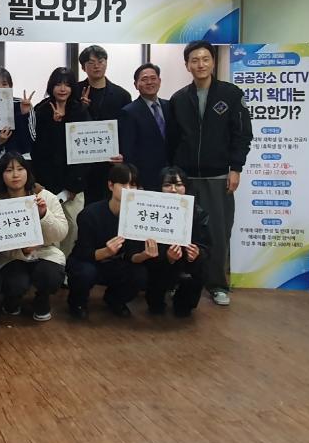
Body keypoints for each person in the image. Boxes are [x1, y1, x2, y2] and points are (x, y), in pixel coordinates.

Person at [167, 40, 253, 306]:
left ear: (213, 62)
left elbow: (242, 135)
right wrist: (173, 175)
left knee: (218, 233)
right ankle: (178, 281)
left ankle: (217, 285)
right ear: (187, 65)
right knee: (180, 232)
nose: (200, 64)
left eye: (205, 59)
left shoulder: (231, 94)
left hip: (218, 177)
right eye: (194, 60)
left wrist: (235, 168)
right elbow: (172, 140)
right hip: (186, 179)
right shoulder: (179, 99)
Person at [66, 163, 151, 319]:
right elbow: (83, 253)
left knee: (139, 274)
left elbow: (132, 255)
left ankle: (115, 300)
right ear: (111, 185)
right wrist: (106, 252)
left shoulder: (139, 217)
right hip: (89, 261)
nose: (129, 190)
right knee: (84, 272)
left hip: (117, 264)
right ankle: (77, 302)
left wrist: (145, 255)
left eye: (133, 185)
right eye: (123, 184)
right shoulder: (90, 214)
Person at [0, 151, 68, 321]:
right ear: (1, 175)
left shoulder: (45, 196)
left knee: (50, 275)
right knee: (16, 283)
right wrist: (23, 251)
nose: (15, 174)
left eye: (20, 169)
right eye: (9, 170)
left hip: (44, 252)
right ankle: (11, 300)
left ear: (28, 171)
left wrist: (44, 214)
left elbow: (61, 233)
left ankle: (42, 299)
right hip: (11, 257)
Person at [29, 67, 89, 256]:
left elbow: (85, 151)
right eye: (58, 84)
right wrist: (54, 124)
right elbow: (36, 149)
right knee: (49, 228)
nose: (62, 89)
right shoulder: (41, 110)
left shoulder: (80, 110)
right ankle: (52, 263)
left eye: (67, 84)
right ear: (51, 86)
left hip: (73, 184)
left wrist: (73, 186)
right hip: (45, 183)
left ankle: (67, 265)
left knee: (73, 227)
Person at [145, 167, 210, 317]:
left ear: (186, 187)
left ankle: (184, 301)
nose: (173, 190)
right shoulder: (149, 209)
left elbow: (206, 246)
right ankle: (156, 299)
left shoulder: (198, 213)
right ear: (159, 188)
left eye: (179, 185)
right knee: (155, 309)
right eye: (167, 185)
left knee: (200, 268)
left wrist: (196, 254)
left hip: (187, 263)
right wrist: (167, 257)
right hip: (159, 262)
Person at [76, 45, 130, 205]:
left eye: (100, 61)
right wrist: (80, 108)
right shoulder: (75, 91)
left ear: (106, 63)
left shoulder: (122, 95)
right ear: (83, 67)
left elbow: (126, 131)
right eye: (91, 62)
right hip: (80, 167)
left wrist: (123, 155)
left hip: (110, 166)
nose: (96, 66)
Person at [119, 63, 171, 192]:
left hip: (170, 178)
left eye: (153, 78)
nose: (149, 82)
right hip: (145, 178)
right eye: (144, 79)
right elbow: (128, 151)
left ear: (159, 81)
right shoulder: (129, 112)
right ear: (136, 85)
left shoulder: (170, 106)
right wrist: (136, 182)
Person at [0, 67, 34, 197]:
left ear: (11, 86)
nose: (0, 88)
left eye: (4, 84)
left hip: (21, 161)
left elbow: (31, 140)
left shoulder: (22, 104)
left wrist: (24, 114)